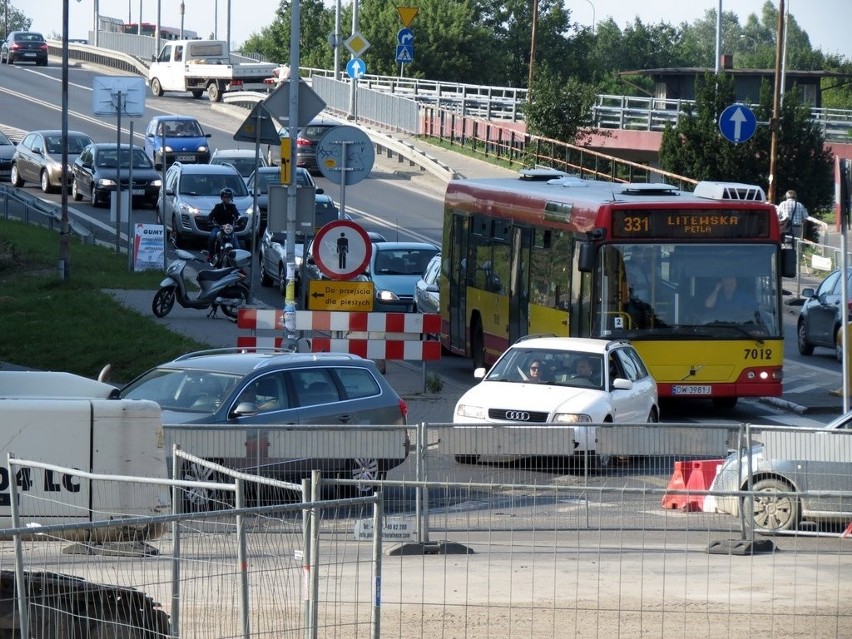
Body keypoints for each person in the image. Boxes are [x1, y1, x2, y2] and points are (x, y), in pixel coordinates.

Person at [207, 187, 241, 263]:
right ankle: (210, 254)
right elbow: (210, 216)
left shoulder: (233, 207)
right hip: (218, 227)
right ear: (222, 198)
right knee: (212, 236)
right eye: (226, 197)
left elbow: (237, 215)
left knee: (237, 245)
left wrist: (241, 220)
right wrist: (209, 221)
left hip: (229, 229)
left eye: (229, 197)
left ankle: (239, 265)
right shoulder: (218, 206)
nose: (228, 199)